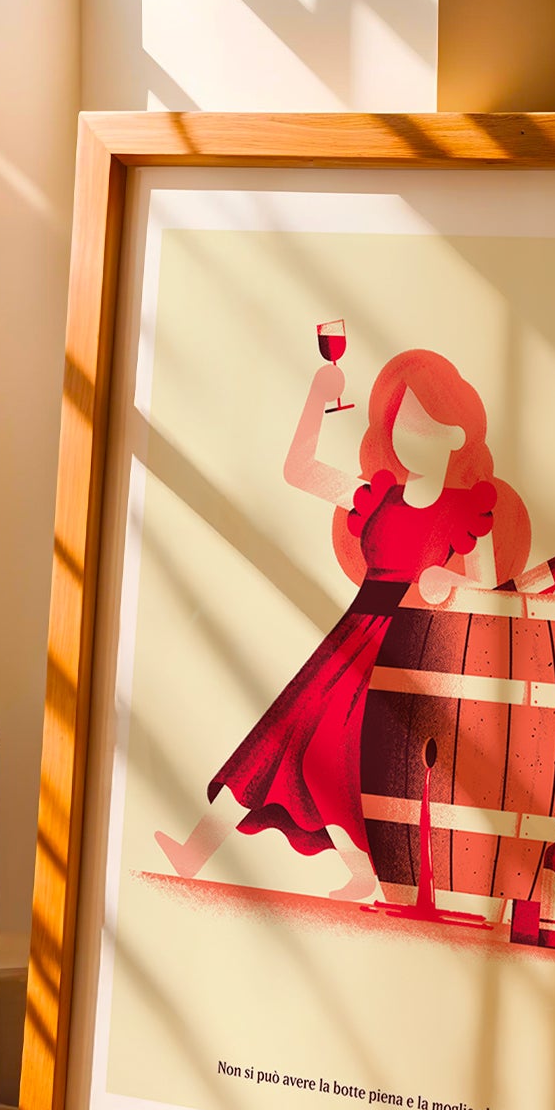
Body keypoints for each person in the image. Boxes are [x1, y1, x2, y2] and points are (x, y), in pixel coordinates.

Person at [154, 347, 531, 901]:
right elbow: (299, 470)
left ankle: (363, 871)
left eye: (426, 424)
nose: (410, 435)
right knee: (275, 739)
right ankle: (195, 852)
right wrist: (317, 395)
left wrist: (447, 582)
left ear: (456, 435)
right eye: (402, 421)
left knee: (327, 757)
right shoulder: (377, 496)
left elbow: (491, 592)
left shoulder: (465, 509)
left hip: (403, 650)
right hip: (350, 637)